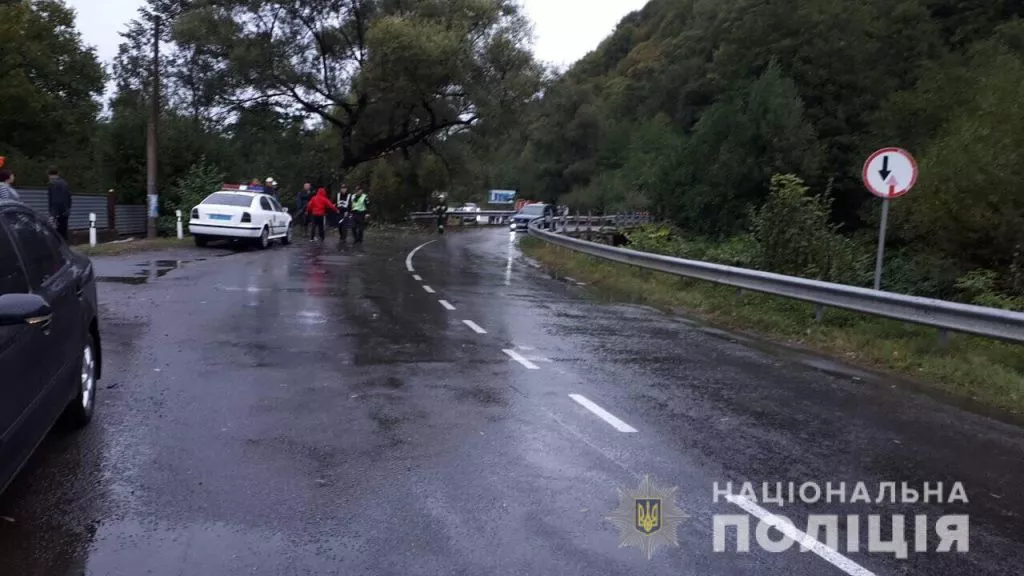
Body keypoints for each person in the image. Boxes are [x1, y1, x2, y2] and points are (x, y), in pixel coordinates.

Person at [47, 166, 72, 240]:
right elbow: (69, 198)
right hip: (65, 212)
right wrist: (67, 210)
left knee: (56, 236)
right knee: (63, 234)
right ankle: (65, 249)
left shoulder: (53, 184)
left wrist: (53, 215)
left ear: (49, 175)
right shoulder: (65, 183)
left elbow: (55, 200)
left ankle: (59, 250)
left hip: (57, 214)